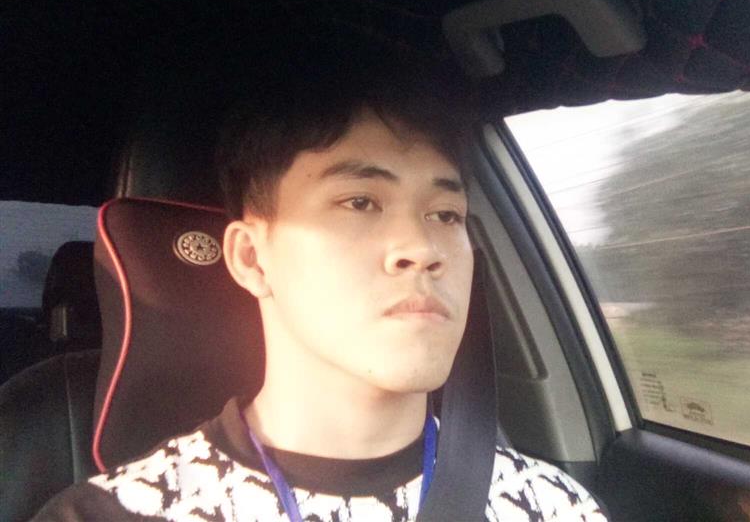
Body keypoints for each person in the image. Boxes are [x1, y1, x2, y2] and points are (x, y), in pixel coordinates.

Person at [33, 51, 609, 521]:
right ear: (251, 259)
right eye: (360, 202)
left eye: (445, 214)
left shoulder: (554, 507)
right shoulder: (118, 514)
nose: (423, 248)